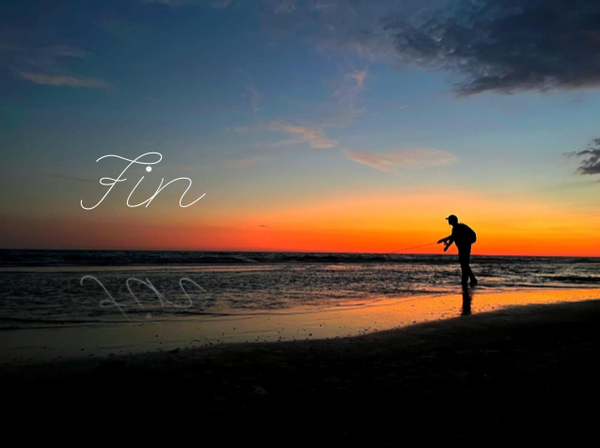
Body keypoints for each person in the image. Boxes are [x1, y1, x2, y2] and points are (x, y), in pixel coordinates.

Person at [438, 214, 478, 287]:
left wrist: (443, 240)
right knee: (464, 264)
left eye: (449, 220)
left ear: (452, 221)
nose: (448, 221)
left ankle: (467, 280)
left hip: (464, 248)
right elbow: (453, 238)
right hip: (464, 248)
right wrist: (447, 246)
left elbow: (452, 237)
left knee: (464, 264)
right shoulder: (457, 228)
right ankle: (471, 279)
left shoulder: (457, 228)